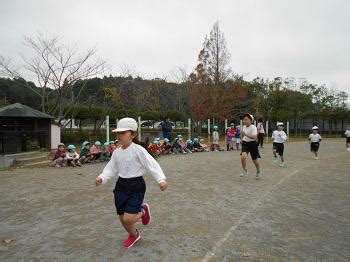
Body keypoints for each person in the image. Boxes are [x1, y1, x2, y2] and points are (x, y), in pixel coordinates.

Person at [95, 117, 168, 249]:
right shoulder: (116, 152)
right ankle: (134, 235)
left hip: (136, 186)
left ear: (132, 134)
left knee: (129, 219)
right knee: (122, 218)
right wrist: (102, 177)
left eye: (123, 133)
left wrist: (161, 179)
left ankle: (143, 211)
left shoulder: (138, 150)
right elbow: (111, 168)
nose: (119, 135)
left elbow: (151, 164)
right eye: (118, 133)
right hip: (121, 186)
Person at [240, 113, 262, 180]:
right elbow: (243, 134)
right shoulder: (244, 127)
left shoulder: (253, 127)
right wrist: (242, 139)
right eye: (244, 119)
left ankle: (258, 172)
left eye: (246, 119)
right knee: (243, 157)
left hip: (253, 144)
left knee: (254, 160)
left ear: (251, 120)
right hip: (245, 144)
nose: (244, 121)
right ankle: (244, 169)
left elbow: (254, 137)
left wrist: (245, 134)